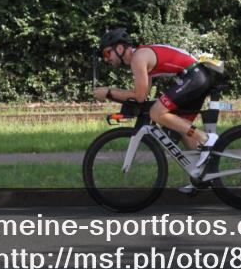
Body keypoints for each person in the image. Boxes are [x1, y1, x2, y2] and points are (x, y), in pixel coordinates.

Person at [93, 28, 218, 166]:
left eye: (107, 52)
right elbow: (143, 94)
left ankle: (205, 139)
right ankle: (201, 176)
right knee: (181, 127)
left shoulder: (138, 58)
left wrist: (108, 92)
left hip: (195, 76)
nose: (106, 58)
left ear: (120, 48)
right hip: (196, 76)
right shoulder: (140, 57)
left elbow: (139, 96)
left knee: (156, 112)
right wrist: (110, 94)